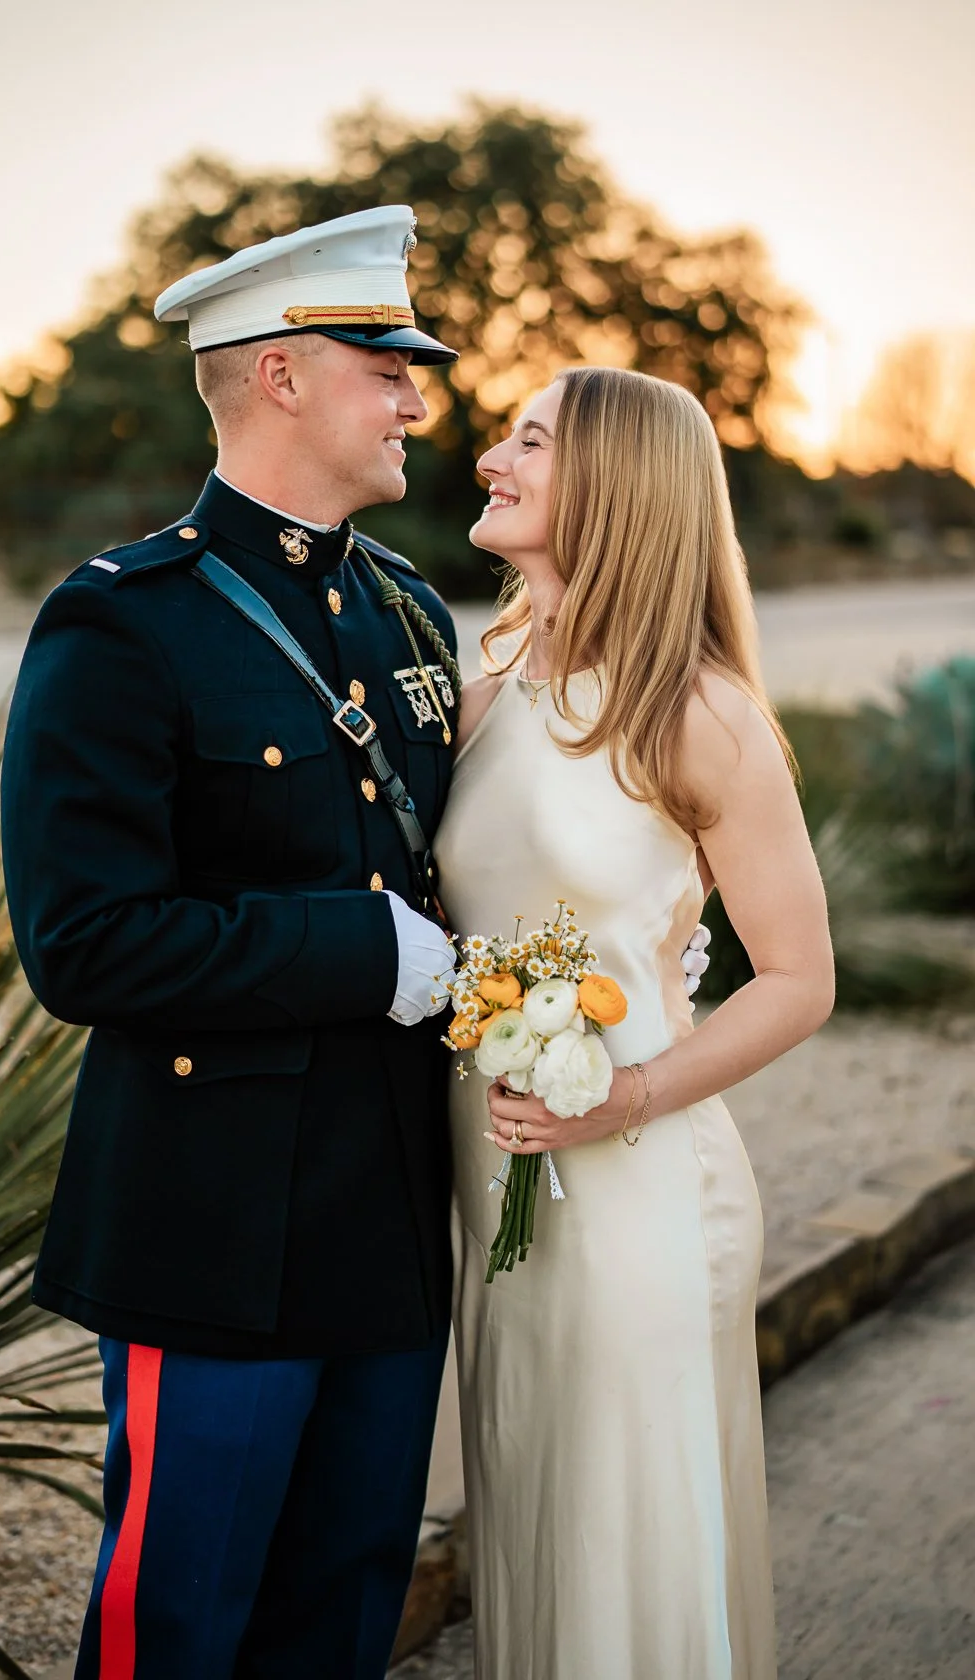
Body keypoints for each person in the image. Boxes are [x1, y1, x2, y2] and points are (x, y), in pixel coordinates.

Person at [0, 206, 464, 1680]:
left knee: (342, 1620)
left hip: (390, 1224)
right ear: (278, 376)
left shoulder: (408, 610)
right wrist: (355, 952)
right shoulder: (120, 625)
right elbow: (84, 946)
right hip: (211, 1234)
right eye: (383, 365)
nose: (415, 396)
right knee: (183, 1629)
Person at [436, 366, 836, 1679]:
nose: (493, 455)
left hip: (641, 1194)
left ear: (612, 484)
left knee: (628, 1556)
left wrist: (624, 1098)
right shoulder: (484, 677)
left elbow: (798, 978)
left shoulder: (699, 712)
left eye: (530, 440)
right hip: (494, 1195)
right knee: (534, 1540)